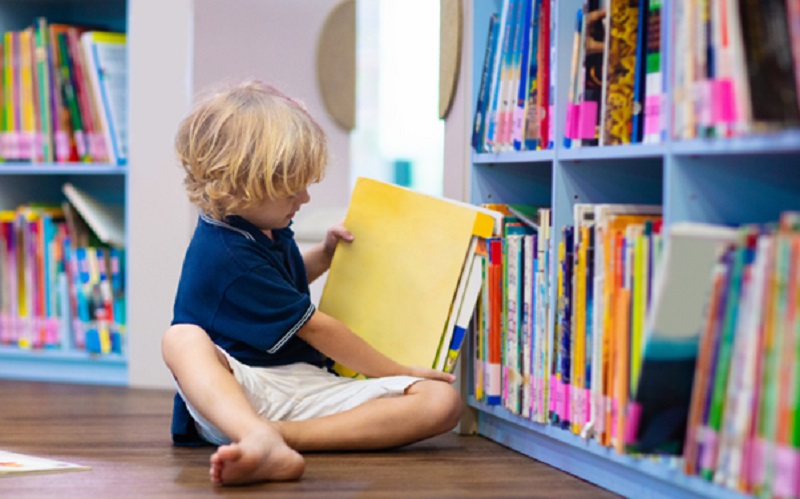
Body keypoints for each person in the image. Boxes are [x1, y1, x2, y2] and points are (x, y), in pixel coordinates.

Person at [162, 80, 462, 486]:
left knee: (441, 402)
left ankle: (274, 439)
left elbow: (278, 288)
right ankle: (253, 431)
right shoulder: (226, 253)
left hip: (301, 384)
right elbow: (316, 327)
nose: (303, 198)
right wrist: (397, 371)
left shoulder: (261, 223)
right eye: (290, 190)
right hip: (240, 392)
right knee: (181, 338)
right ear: (240, 185)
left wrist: (322, 255)